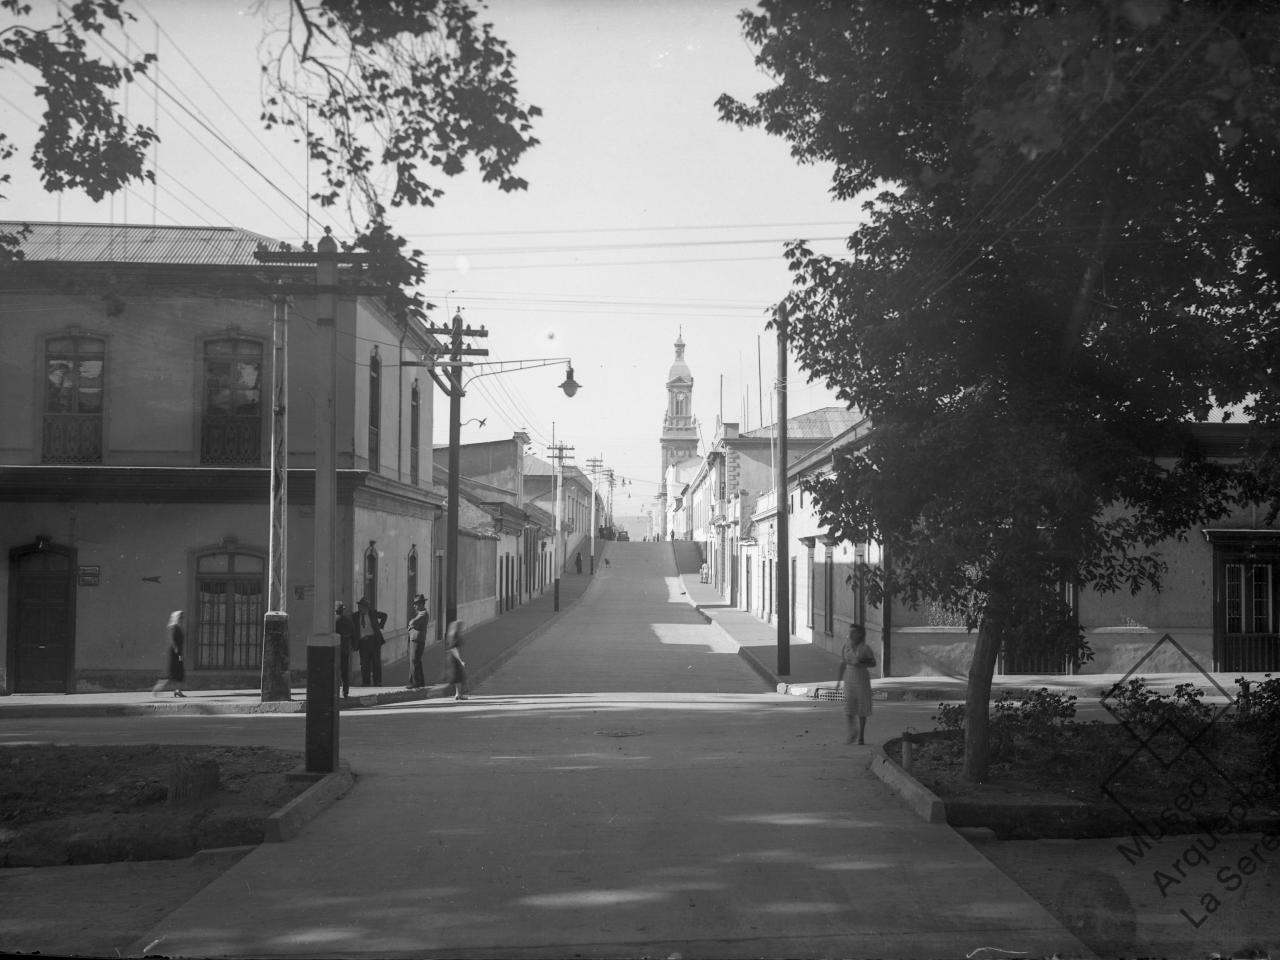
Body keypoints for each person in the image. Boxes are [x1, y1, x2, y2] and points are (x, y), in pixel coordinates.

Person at [836, 623, 876, 745]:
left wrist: (862, 663)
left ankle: (861, 736)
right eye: (850, 632)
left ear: (860, 635)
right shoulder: (846, 647)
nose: (851, 635)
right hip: (849, 678)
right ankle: (852, 731)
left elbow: (873, 663)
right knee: (849, 707)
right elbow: (843, 663)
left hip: (861, 678)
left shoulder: (865, 648)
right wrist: (838, 681)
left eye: (854, 632)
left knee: (862, 707)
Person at [152, 610, 186, 698]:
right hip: (175, 653)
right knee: (171, 672)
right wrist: (176, 649)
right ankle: (158, 687)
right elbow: (171, 640)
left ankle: (177, 690)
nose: (181, 619)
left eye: (182, 617)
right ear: (175, 617)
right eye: (180, 617)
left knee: (180, 671)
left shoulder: (178, 627)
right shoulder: (172, 627)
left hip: (178, 653)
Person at [355, 597, 386, 686]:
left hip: (374, 641)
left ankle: (378, 682)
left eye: (361, 606)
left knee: (376, 663)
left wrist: (380, 625)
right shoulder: (355, 616)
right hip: (363, 643)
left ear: (366, 607)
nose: (359, 608)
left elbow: (384, 615)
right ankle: (366, 683)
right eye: (359, 606)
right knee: (364, 664)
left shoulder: (372, 613)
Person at [406, 593, 429, 689]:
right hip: (415, 639)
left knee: (414, 661)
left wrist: (411, 624)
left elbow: (412, 622)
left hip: (417, 639)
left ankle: (415, 682)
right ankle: (421, 682)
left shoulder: (423, 614)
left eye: (416, 604)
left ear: (421, 604)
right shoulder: (420, 613)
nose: (414, 606)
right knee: (416, 661)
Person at [334, 601, 356, 699]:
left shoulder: (332, 621)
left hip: (334, 649)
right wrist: (353, 646)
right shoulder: (348, 621)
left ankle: (335, 691)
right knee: (344, 671)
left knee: (334, 671)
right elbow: (353, 634)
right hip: (345, 648)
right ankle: (345, 691)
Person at [443, 620, 467, 701]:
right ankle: (459, 694)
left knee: (458, 677)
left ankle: (458, 694)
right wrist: (460, 660)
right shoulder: (456, 635)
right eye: (461, 626)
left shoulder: (451, 634)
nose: (463, 627)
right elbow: (454, 648)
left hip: (451, 657)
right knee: (460, 676)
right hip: (455, 657)